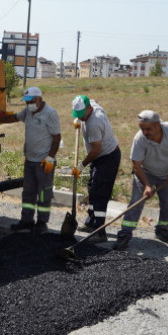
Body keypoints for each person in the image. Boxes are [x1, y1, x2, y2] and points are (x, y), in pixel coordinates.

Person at [113, 110, 168, 251]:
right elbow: (136, 165)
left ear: (158, 125)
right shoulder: (140, 139)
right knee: (136, 202)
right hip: (145, 173)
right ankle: (124, 234)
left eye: (148, 129)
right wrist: (147, 185)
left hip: (167, 175)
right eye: (142, 128)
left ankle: (162, 229)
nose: (145, 132)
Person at [0, 86, 61, 234]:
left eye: (30, 101)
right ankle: (27, 220)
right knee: (28, 192)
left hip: (44, 162)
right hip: (30, 161)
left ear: (39, 99)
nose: (28, 104)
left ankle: (42, 223)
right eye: (26, 102)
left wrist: (50, 157)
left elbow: (57, 138)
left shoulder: (50, 114)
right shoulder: (28, 112)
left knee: (43, 193)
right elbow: (14, 117)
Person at [70, 95, 121, 243]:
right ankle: (91, 222)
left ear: (89, 109)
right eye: (78, 115)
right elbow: (93, 99)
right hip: (99, 158)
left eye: (82, 115)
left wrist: (81, 166)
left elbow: (95, 150)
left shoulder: (94, 123)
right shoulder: (91, 105)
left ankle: (100, 231)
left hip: (107, 157)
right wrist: (79, 120)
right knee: (92, 189)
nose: (81, 118)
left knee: (100, 194)